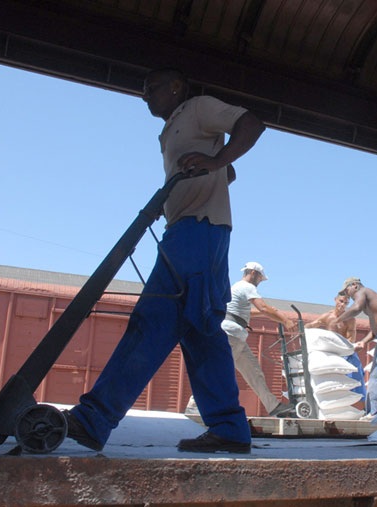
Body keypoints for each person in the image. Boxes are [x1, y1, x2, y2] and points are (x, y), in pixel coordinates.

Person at [62, 67, 265, 454]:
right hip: (190, 229)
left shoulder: (198, 108)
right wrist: (197, 179)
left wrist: (215, 161)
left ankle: (93, 418)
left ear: (176, 86)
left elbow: (251, 125)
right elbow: (228, 173)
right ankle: (229, 429)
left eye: (151, 88)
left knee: (153, 318)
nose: (145, 95)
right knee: (201, 331)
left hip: (198, 230)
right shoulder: (170, 130)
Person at [186, 261, 296, 417]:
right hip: (231, 335)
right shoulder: (247, 287)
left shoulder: (237, 288)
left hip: (236, 336)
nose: (260, 282)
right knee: (218, 370)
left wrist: (266, 313)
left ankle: (273, 406)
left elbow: (244, 312)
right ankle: (195, 404)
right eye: (260, 278)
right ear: (253, 273)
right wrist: (285, 320)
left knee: (254, 372)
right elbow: (263, 307)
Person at [330, 277, 377, 415]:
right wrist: (364, 341)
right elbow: (375, 329)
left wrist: (338, 319)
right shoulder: (371, 305)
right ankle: (373, 412)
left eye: (347, 291)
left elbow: (356, 308)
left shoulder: (363, 292)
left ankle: (374, 413)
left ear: (355, 285)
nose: (347, 295)